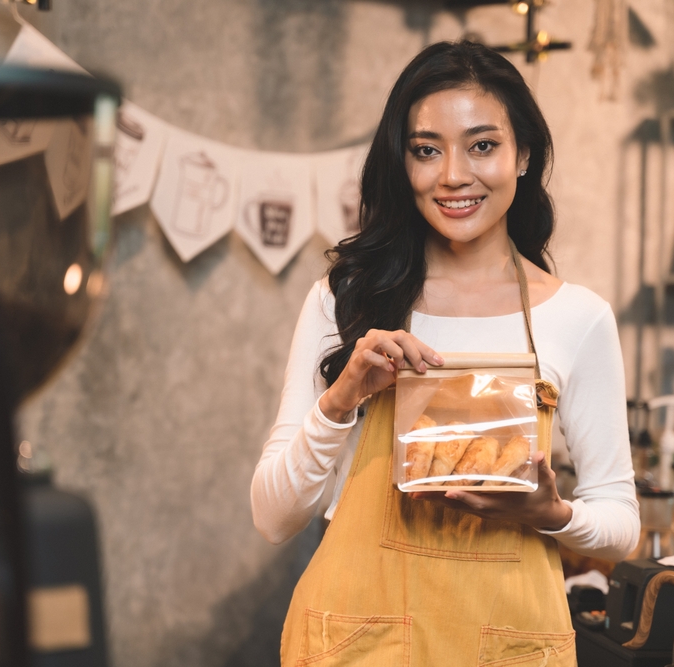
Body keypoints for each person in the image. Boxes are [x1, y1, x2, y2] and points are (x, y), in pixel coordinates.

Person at [251, 40, 639, 666]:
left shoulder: (577, 319)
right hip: (357, 644)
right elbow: (271, 517)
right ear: (402, 164)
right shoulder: (345, 300)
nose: (453, 175)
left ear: (524, 156)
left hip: (509, 644)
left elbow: (621, 523)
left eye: (482, 145)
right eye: (426, 150)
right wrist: (342, 398)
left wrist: (553, 513)